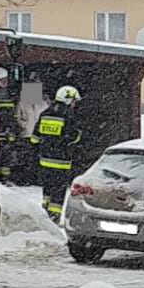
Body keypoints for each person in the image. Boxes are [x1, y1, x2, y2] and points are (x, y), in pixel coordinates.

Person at [31, 85, 82, 221]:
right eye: (73, 101)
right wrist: (77, 136)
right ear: (68, 99)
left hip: (45, 159)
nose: (74, 104)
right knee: (58, 190)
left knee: (47, 188)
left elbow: (34, 138)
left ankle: (45, 213)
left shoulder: (45, 113)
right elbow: (72, 137)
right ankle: (54, 215)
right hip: (61, 161)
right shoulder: (69, 115)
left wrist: (46, 143)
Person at [0, 67, 21, 182]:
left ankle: (4, 178)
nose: (5, 84)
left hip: (5, 131)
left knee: (5, 156)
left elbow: (10, 115)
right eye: (2, 81)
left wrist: (13, 128)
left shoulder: (8, 94)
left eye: (6, 81)